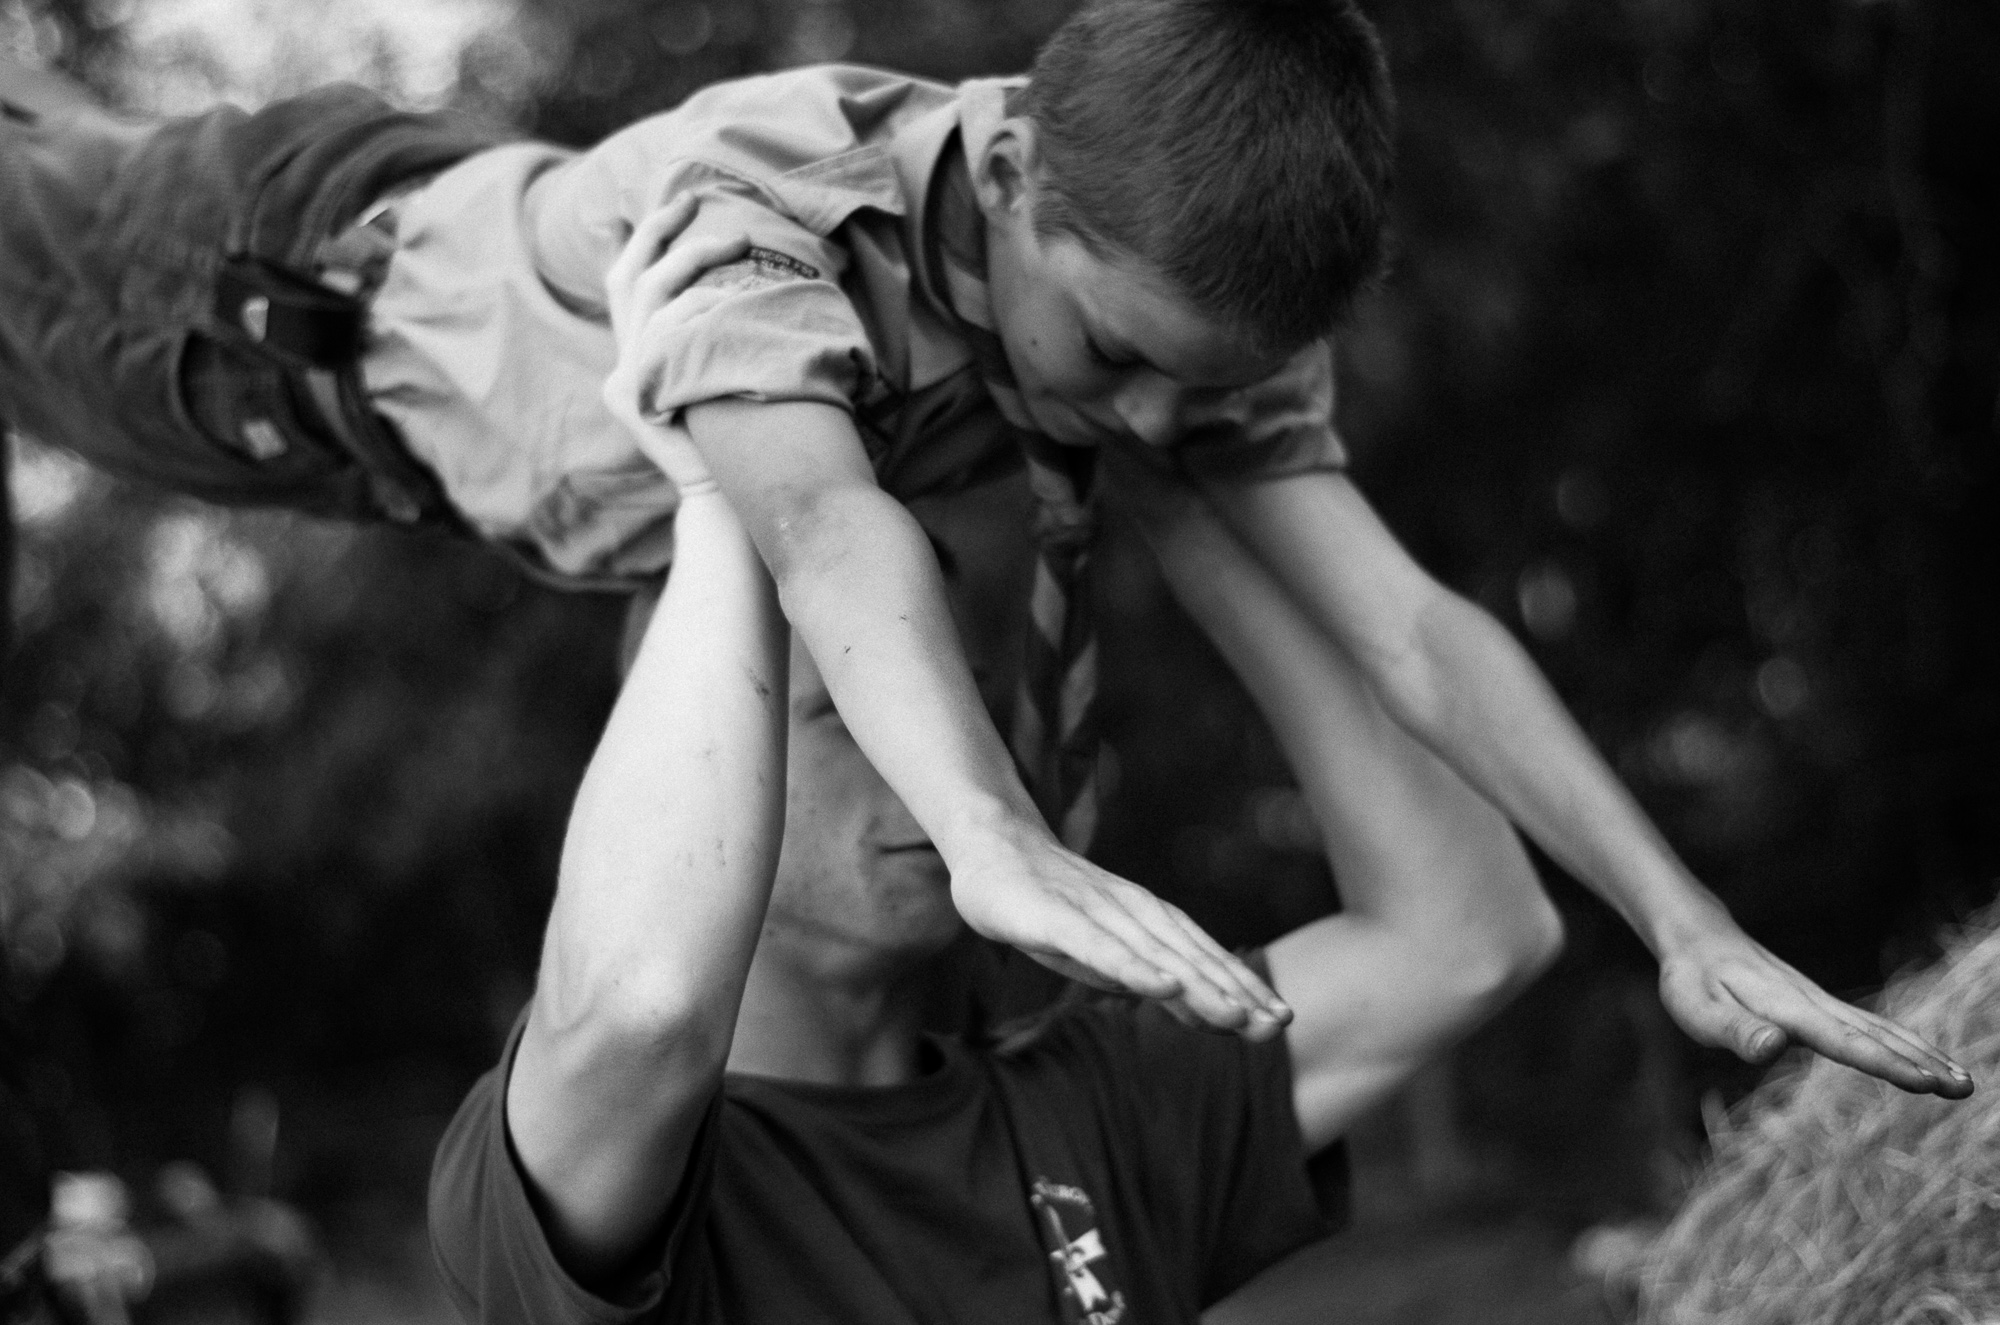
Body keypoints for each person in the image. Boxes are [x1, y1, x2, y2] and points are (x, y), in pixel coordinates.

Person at [0, 1, 1975, 1086]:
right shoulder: (778, 190)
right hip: (230, 311)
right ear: (1015, 165)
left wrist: (1679, 916)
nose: (1150, 428)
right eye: (1112, 358)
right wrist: (989, 833)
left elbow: (1412, 631)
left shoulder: (1190, 314)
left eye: (1193, 393)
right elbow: (821, 526)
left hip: (415, 417)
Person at [424, 250, 1569, 1319]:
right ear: (711, 769)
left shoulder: (1096, 1103)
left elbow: (1470, 934)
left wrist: (1177, 501)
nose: (926, 767)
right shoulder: (572, 1167)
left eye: (951, 704)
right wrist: (731, 474)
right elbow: (643, 1012)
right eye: (846, 717)